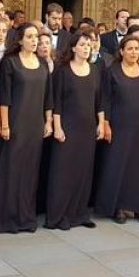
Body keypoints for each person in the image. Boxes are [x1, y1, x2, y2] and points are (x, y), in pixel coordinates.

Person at [0, 22, 52, 233]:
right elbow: (4, 97)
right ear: (20, 40)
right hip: (15, 123)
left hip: (35, 124)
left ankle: (25, 218)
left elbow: (48, 97)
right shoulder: (10, 63)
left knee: (30, 172)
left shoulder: (42, 63)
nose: (34, 41)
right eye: (29, 37)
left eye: (36, 37)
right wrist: (5, 125)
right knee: (10, 170)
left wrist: (48, 121)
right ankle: (5, 218)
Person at [95, 34, 139, 224]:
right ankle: (119, 207)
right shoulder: (112, 71)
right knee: (118, 166)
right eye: (130, 49)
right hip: (119, 126)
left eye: (136, 49)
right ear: (122, 51)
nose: (133, 52)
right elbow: (105, 99)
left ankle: (138, 207)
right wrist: (105, 123)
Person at [46, 32, 104, 230]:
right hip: (67, 127)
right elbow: (56, 101)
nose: (86, 48)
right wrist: (57, 127)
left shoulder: (95, 70)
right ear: (73, 48)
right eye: (82, 44)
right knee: (63, 172)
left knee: (84, 172)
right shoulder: (62, 71)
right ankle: (59, 216)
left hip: (87, 128)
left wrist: (101, 123)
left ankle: (79, 214)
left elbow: (99, 101)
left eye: (89, 45)